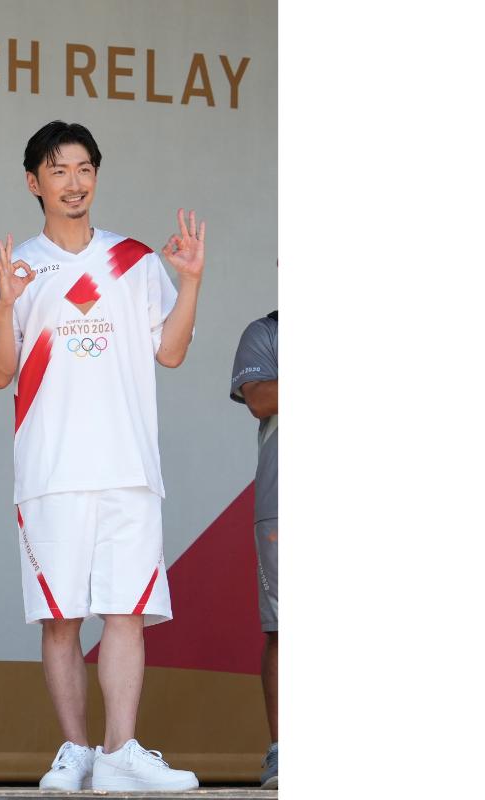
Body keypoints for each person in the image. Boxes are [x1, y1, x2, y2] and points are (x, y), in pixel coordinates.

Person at [0, 120, 204, 792]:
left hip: (128, 466)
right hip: (52, 470)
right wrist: (7, 307)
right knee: (61, 616)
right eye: (58, 170)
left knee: (126, 611)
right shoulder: (17, 269)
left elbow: (171, 351)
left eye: (84, 169)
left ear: (96, 175)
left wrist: (189, 282)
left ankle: (120, 750)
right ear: (33, 182)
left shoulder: (133, 261)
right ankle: (74, 751)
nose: (74, 183)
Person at [230, 309, 278, 790]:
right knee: (284, 629)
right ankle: (284, 751)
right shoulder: (266, 332)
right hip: (283, 503)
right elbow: (261, 398)